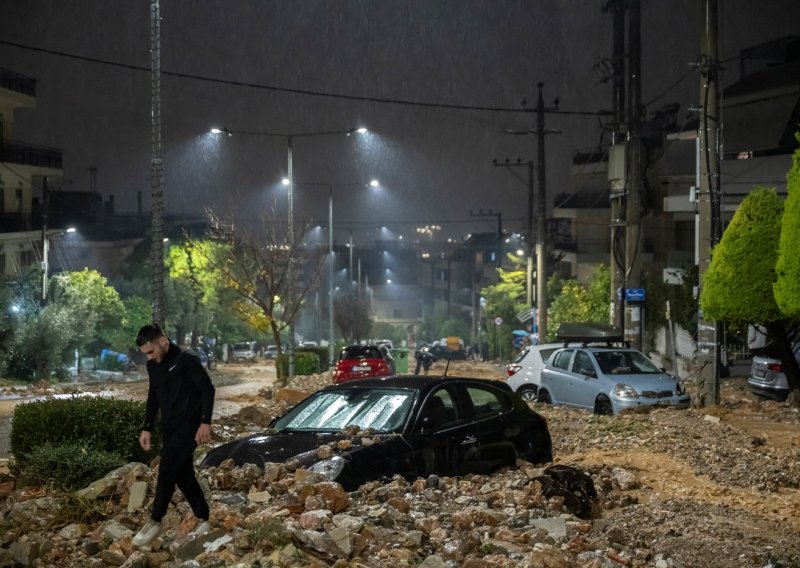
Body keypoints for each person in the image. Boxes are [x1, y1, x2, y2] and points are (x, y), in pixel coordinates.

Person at [132, 323, 216, 548]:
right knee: (183, 474)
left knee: (167, 467)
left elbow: (208, 389)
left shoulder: (186, 360)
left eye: (151, 352)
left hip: (189, 426)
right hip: (169, 428)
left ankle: (155, 520)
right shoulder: (154, 365)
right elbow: (153, 396)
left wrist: (205, 423)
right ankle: (204, 517)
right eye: (145, 355)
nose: (148, 358)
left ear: (164, 342)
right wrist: (147, 427)